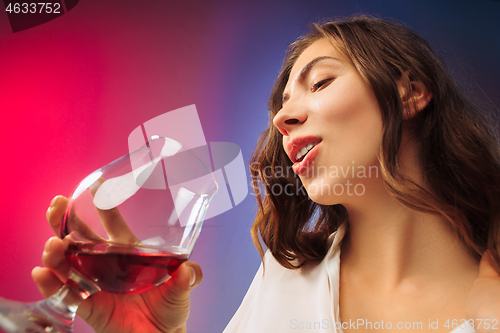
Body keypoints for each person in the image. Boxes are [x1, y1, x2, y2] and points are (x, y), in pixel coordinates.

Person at [34, 15, 500, 333]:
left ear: (409, 93)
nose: (282, 119)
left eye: (319, 83)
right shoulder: (286, 277)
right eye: (281, 106)